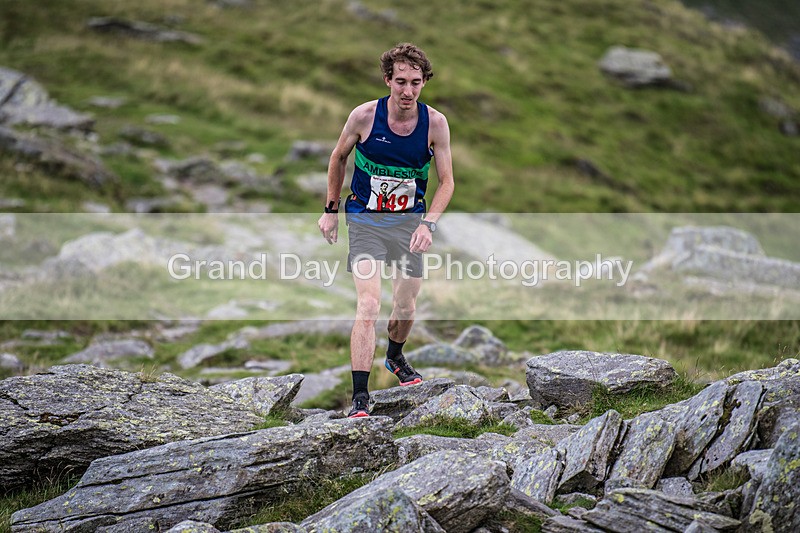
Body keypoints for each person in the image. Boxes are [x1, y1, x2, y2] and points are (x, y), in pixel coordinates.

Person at [318, 43, 455, 418]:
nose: (407, 91)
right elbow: (338, 158)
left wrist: (429, 224)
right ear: (387, 81)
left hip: (411, 223)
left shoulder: (436, 124)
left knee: (406, 304)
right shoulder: (364, 116)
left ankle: (395, 357)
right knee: (369, 304)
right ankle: (360, 398)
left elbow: (446, 183)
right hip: (365, 219)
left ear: (424, 82)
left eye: (415, 82)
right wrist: (330, 211)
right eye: (400, 82)